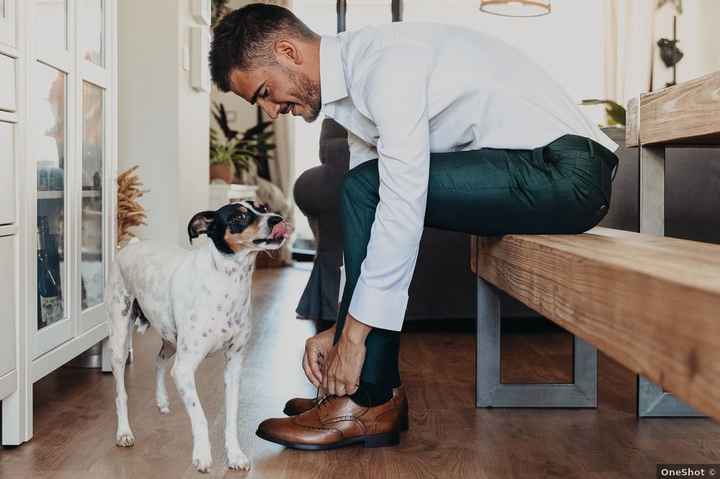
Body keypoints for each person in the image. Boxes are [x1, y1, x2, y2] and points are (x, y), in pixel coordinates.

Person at [209, 4, 618, 450]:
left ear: (288, 51)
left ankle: (369, 398)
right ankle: (376, 393)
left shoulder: (385, 63)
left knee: (371, 186)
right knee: (363, 187)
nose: (271, 111)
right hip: (535, 169)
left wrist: (354, 338)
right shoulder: (353, 94)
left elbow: (400, 201)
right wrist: (342, 324)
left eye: (266, 92)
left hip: (569, 173)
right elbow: (368, 224)